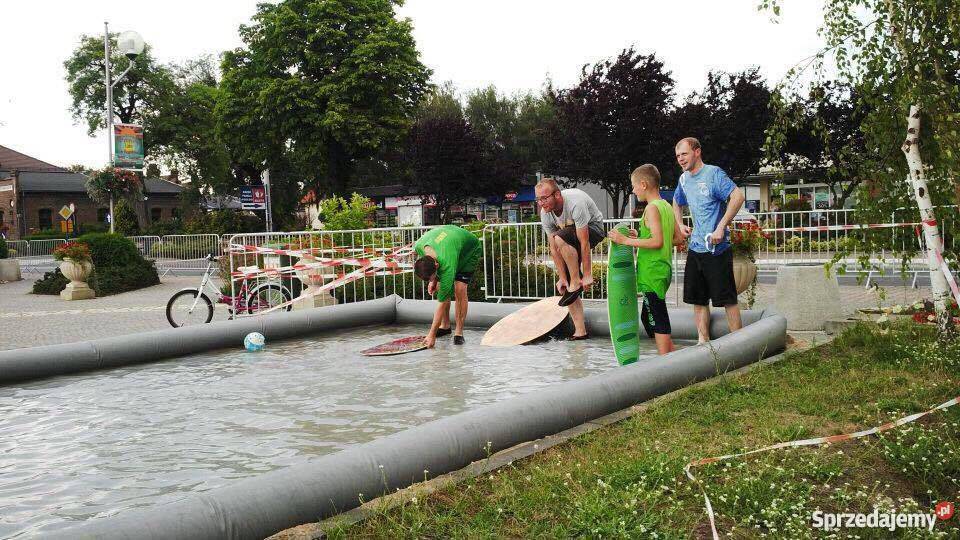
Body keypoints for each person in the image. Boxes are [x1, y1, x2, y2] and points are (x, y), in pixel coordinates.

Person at [672, 137, 746, 343]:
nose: (680, 159)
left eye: (684, 154)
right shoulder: (684, 179)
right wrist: (679, 224)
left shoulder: (713, 174)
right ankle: (702, 342)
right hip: (696, 248)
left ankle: (740, 343)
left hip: (717, 248)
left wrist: (721, 227)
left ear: (697, 152)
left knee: (727, 299)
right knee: (698, 299)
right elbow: (676, 202)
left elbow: (738, 197)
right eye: (677, 156)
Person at [608, 164, 677, 355]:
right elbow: (677, 238)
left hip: (652, 272)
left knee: (657, 319)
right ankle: (676, 357)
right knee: (648, 319)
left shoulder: (652, 208)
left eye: (634, 185)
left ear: (644, 184)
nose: (633, 190)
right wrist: (640, 236)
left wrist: (625, 240)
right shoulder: (666, 206)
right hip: (663, 269)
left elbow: (657, 241)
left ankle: (667, 363)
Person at [534, 178, 605, 340]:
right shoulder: (545, 214)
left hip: (594, 229)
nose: (541, 203)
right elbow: (554, 249)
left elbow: (584, 242)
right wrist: (562, 278)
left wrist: (587, 274)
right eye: (538, 199)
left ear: (557, 195)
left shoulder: (575, 203)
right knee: (567, 285)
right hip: (568, 238)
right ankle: (580, 332)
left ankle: (576, 281)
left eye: (544, 198)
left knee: (560, 238)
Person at [413, 224, 482, 348]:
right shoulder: (419, 246)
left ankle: (459, 332)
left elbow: (442, 302)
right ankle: (445, 326)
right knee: (440, 287)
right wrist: (433, 281)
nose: (430, 281)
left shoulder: (447, 264)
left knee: (459, 289)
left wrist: (431, 335)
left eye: (431, 277)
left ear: (437, 266)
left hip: (469, 252)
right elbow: (436, 276)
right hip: (450, 241)